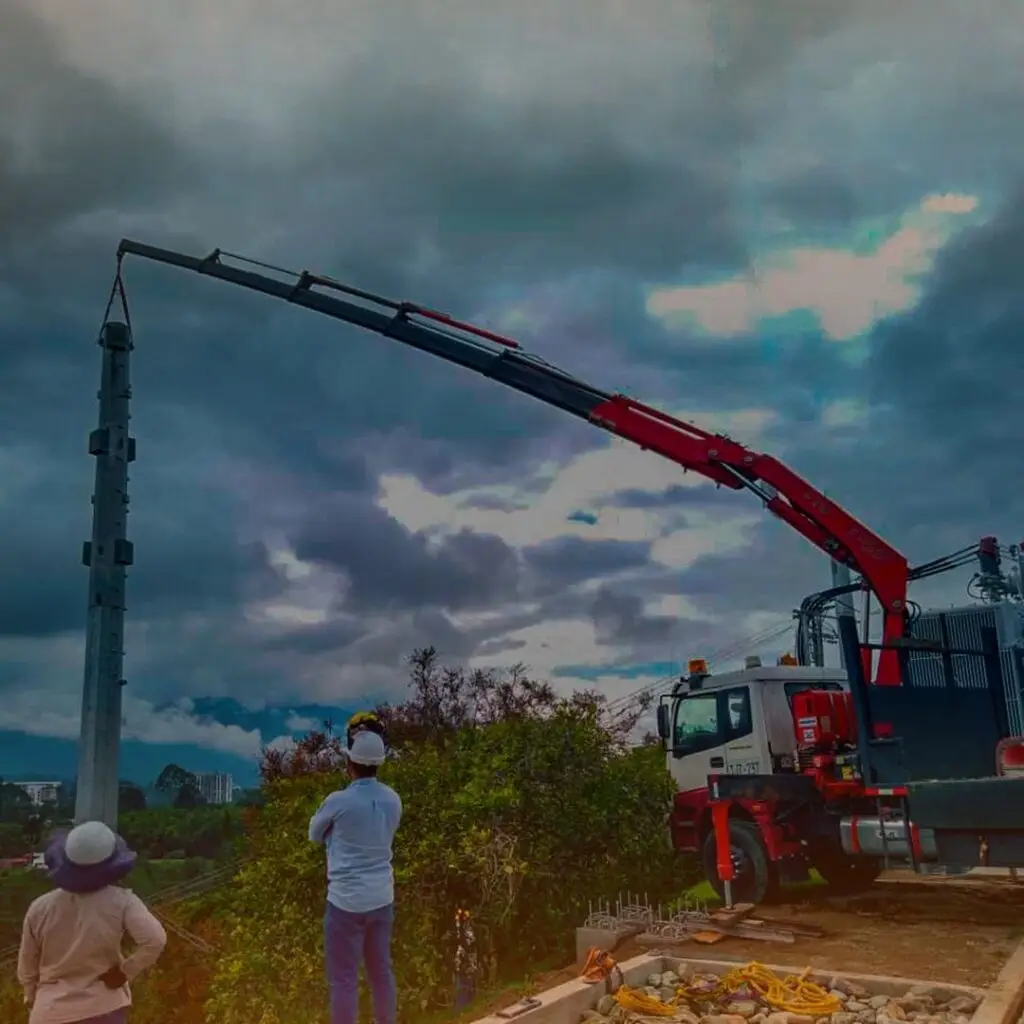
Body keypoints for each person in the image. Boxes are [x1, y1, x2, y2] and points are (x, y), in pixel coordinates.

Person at [17, 820, 167, 1024]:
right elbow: (155, 940)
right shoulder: (122, 901)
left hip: (49, 1011)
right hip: (103, 1007)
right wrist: (125, 971)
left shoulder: (40, 907)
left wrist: (32, 997)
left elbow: (27, 966)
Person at [309, 728, 402, 1024]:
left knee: (344, 980)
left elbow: (314, 834)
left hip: (345, 903)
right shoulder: (393, 799)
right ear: (378, 764)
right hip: (381, 898)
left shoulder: (338, 801)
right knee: (380, 971)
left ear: (350, 764)